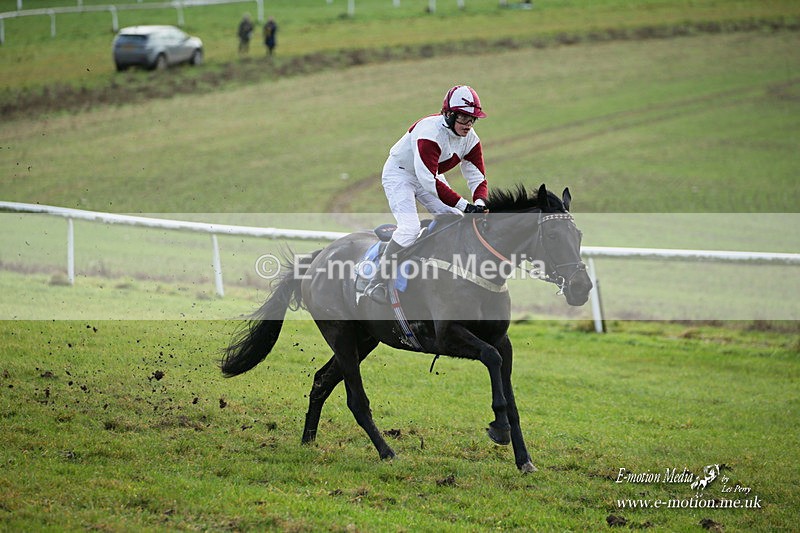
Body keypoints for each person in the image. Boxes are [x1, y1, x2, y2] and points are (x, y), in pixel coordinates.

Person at [365, 85, 490, 304]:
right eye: (463, 118)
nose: (468, 125)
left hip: (429, 174)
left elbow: (477, 177)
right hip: (401, 174)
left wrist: (479, 202)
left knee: (457, 220)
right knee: (409, 229)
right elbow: (428, 181)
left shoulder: (470, 139)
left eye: (472, 119)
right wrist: (466, 206)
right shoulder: (429, 133)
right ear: (449, 115)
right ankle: (377, 280)